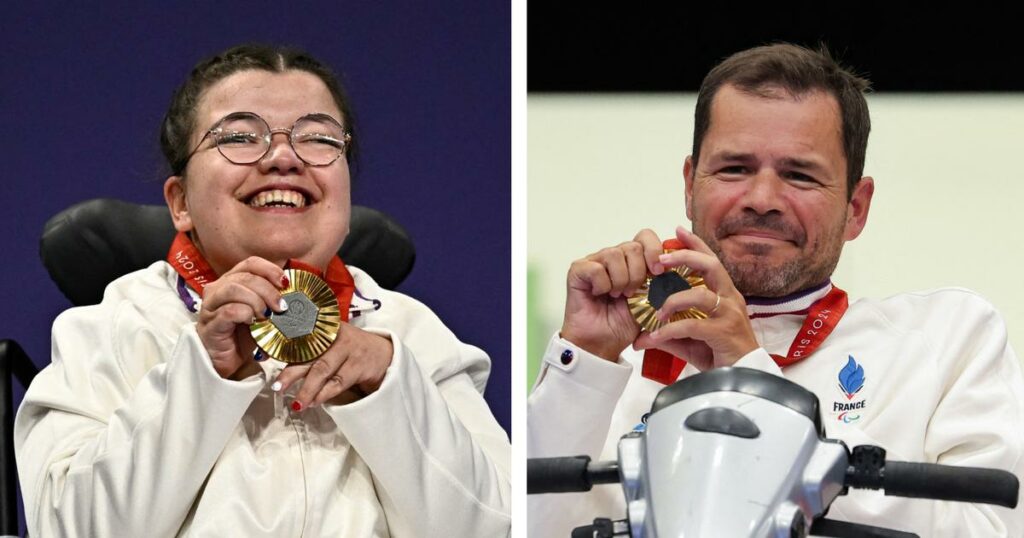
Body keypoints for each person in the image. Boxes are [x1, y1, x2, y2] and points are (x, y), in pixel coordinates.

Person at [528, 43, 1024, 537]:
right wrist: (585, 361)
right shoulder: (619, 366)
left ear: (856, 206)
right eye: (734, 169)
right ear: (689, 183)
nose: (763, 199)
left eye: (799, 175)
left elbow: (993, 527)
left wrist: (749, 372)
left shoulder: (950, 338)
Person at [15, 44, 511, 537]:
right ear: (181, 201)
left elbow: (496, 527)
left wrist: (389, 390)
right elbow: (72, 530)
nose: (283, 158)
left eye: (318, 138)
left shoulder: (410, 338)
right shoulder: (106, 333)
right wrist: (204, 373)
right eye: (239, 136)